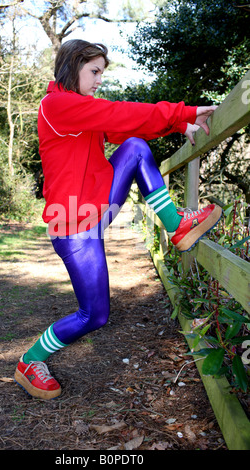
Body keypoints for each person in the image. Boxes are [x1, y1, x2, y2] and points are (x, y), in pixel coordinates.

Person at [14, 40, 222, 399]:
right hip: (73, 226)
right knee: (94, 316)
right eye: (94, 71)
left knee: (136, 148)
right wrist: (183, 113)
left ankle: (177, 225)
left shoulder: (81, 109)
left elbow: (121, 130)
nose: (98, 80)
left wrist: (179, 127)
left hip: (96, 208)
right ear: (72, 66)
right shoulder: (56, 105)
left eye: (101, 73)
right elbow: (119, 114)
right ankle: (30, 362)